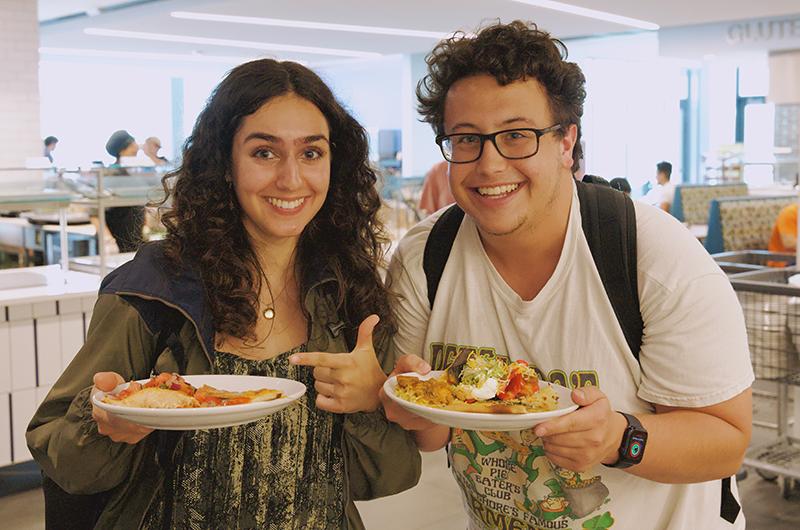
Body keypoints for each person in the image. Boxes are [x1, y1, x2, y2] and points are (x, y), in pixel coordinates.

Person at [382, 21, 752, 530]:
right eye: (467, 139)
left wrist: (618, 439)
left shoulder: (652, 256)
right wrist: (407, 407)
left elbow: (727, 440)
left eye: (517, 136)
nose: (489, 164)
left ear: (565, 142)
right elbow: (433, 433)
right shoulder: (425, 257)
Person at [27, 59, 420, 530]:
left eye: (311, 153)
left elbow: (390, 478)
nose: (292, 179)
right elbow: (60, 456)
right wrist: (105, 425)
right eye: (264, 153)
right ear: (225, 164)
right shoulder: (158, 286)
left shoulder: (347, 291)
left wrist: (372, 402)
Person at [103, 130, 146, 252]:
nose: (137, 148)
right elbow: (95, 211)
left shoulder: (133, 173)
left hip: (134, 237)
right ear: (122, 150)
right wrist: (108, 239)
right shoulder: (112, 174)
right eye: (132, 146)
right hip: (117, 239)